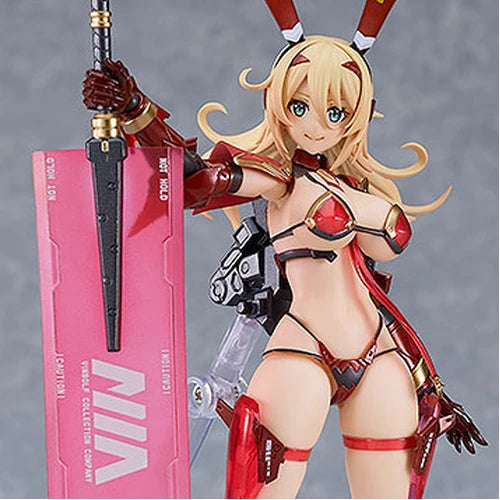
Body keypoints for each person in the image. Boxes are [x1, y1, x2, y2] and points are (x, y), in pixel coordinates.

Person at [82, 1, 486, 498]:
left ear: (355, 116)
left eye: (335, 112)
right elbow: (193, 178)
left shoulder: (361, 185)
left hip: (382, 354)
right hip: (304, 351)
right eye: (300, 107)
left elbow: (379, 270)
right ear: (279, 103)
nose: (316, 125)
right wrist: (134, 108)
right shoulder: (279, 181)